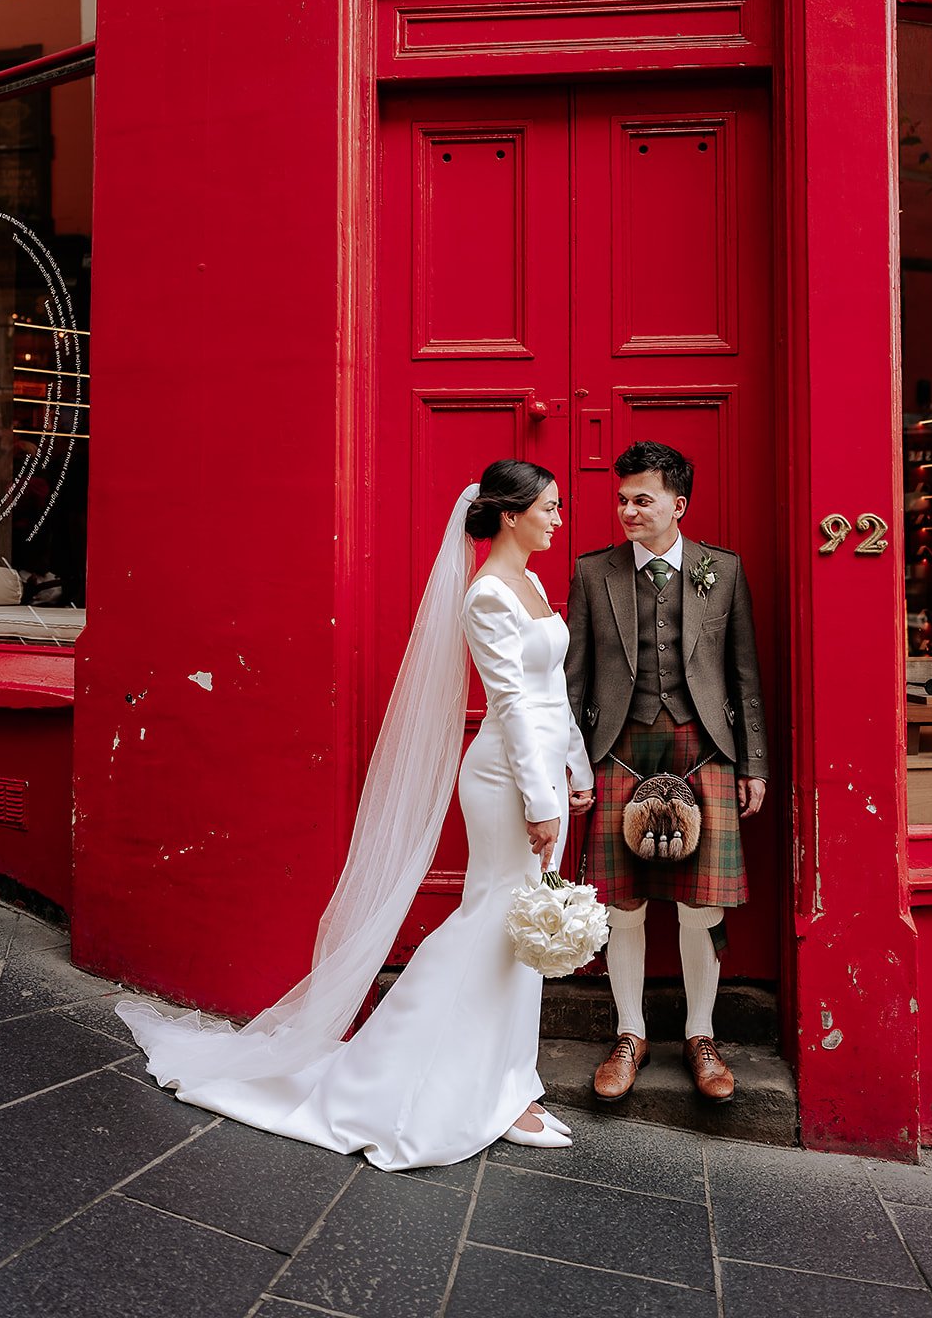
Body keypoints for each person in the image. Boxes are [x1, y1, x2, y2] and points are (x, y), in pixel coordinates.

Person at [116, 460, 594, 1170]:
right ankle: (399, 1078)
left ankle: (509, 1083)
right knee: (493, 924)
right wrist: (540, 800)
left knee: (521, 935)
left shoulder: (529, 583)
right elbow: (515, 706)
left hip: (544, 773)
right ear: (508, 514)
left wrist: (574, 769)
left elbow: (551, 691)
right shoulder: (488, 595)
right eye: (549, 507)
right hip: (506, 780)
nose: (559, 518)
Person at [565, 440, 768, 1105]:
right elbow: (574, 683)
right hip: (619, 746)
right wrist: (572, 764)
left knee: (700, 904)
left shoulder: (722, 571)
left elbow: (743, 677)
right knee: (621, 906)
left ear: (676, 504)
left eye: (640, 499)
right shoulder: (593, 574)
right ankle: (629, 1034)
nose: (626, 509)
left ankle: (699, 1036)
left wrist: (753, 763)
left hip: (704, 746)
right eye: (620, 498)